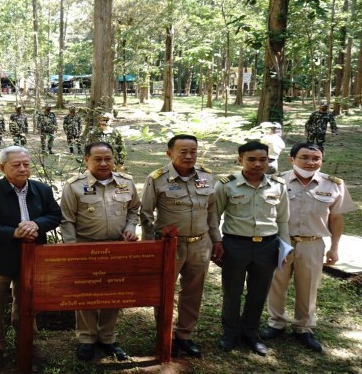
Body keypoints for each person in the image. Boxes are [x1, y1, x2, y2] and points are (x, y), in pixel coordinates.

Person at [0, 146, 61, 369]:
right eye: (16, 165)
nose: (23, 169)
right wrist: (12, 232)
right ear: (2, 167)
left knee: (27, 304)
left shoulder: (42, 190)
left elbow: (55, 216)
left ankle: (27, 342)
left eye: (26, 164)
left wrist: (36, 224)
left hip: (32, 260)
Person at [261, 143, 356, 353]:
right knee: (277, 283)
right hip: (281, 242)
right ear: (291, 159)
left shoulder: (334, 184)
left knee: (309, 285)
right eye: (304, 157)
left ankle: (304, 327)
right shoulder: (274, 181)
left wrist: (334, 248)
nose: (310, 162)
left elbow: (337, 218)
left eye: (316, 158)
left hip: (313, 243)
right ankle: (276, 322)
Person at [140, 134, 221, 359]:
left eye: (193, 151)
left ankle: (184, 335)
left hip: (200, 244)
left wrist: (216, 239)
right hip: (169, 246)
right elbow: (146, 214)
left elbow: (212, 211)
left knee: (193, 292)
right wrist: (150, 247)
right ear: (169, 154)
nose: (188, 156)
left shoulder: (206, 176)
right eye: (182, 152)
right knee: (164, 292)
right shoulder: (157, 178)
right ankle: (164, 334)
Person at [61, 142, 139, 362]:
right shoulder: (74, 186)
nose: (104, 163)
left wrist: (131, 227)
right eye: (98, 159)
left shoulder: (127, 183)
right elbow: (67, 220)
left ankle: (107, 337)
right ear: (86, 160)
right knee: (86, 294)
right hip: (86, 247)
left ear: (114, 159)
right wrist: (71, 250)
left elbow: (133, 210)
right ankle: (86, 338)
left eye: (108, 158)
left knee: (113, 293)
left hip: (117, 248)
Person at [215, 140, 289, 356]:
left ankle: (251, 333)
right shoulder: (226, 185)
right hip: (235, 245)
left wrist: (285, 247)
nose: (258, 164)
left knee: (258, 292)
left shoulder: (278, 186)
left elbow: (283, 220)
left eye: (263, 159)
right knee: (232, 291)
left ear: (269, 160)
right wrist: (217, 242)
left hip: (268, 246)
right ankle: (230, 333)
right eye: (251, 159)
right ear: (240, 160)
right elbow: (214, 216)